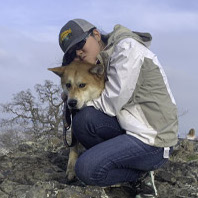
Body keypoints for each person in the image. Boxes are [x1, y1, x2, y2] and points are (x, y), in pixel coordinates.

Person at [58, 18, 178, 197]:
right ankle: (120, 161)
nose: (79, 52)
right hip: (130, 127)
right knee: (83, 121)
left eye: (81, 43)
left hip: (154, 140)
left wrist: (77, 100)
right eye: (72, 52)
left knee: (86, 170)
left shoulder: (126, 49)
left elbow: (111, 103)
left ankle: (139, 174)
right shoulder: (103, 59)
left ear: (96, 35)